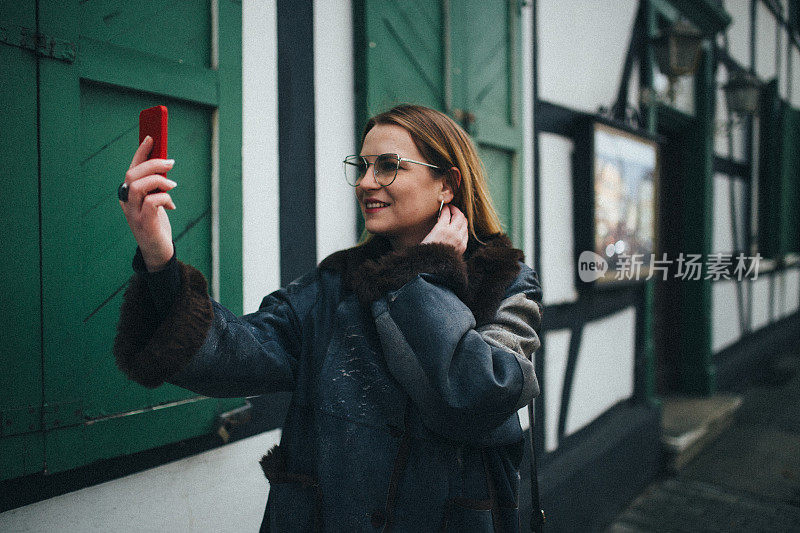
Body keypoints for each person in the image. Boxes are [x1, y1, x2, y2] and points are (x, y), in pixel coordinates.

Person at [114, 104, 543, 532]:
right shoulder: (337, 284)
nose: (365, 182)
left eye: (389, 166)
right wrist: (159, 257)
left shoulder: (505, 283)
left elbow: (486, 391)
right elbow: (235, 352)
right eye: (362, 166)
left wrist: (422, 275)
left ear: (447, 184)